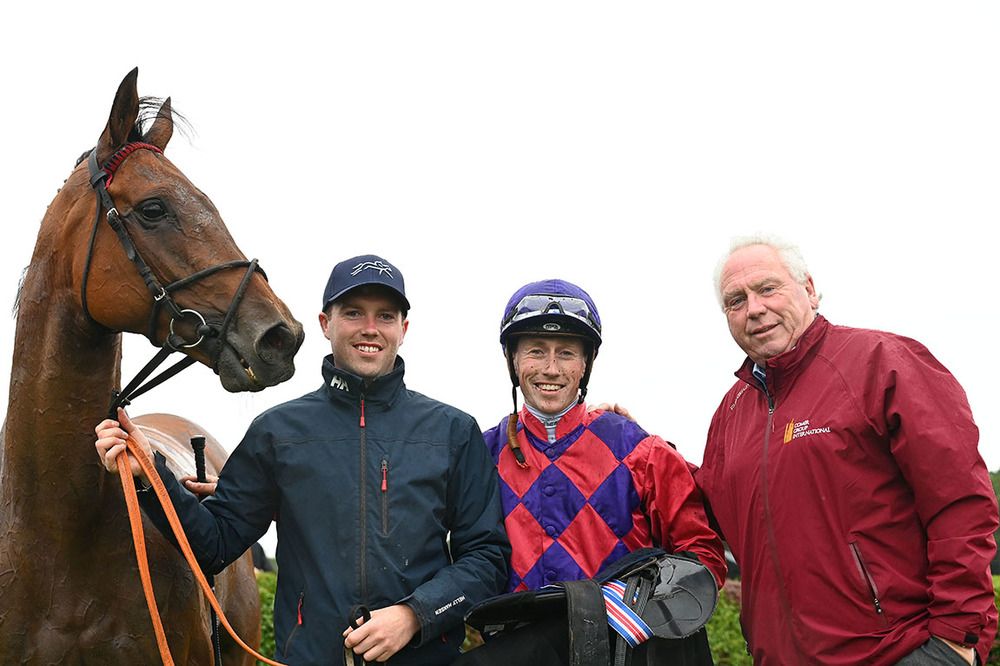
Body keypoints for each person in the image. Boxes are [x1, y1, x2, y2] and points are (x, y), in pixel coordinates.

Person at [95, 254, 510, 665]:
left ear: (403, 329)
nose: (370, 328)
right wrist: (150, 474)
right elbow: (214, 541)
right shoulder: (277, 433)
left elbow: (487, 560)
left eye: (385, 316)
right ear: (325, 324)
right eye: (353, 312)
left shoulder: (453, 432)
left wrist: (413, 615)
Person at [695, 235, 999, 665]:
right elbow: (701, 504)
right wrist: (634, 445)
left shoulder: (882, 362)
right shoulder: (732, 411)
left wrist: (956, 640)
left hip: (898, 654)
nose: (754, 309)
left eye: (767, 288)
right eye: (735, 300)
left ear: (810, 289)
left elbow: (960, 503)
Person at [461, 279, 727, 664]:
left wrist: (630, 609)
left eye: (566, 353)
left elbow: (704, 559)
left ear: (585, 364)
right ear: (513, 360)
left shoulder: (641, 450)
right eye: (536, 351)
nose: (551, 369)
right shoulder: (480, 455)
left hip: (622, 653)